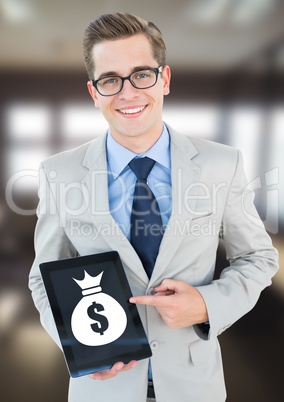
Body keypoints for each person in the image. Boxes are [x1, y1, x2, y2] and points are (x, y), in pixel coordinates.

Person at [29, 12, 278, 402]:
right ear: (94, 93)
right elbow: (43, 278)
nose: (127, 93)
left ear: (164, 79)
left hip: (194, 385)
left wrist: (206, 304)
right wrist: (75, 344)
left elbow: (258, 257)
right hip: (101, 390)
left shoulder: (220, 164)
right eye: (110, 80)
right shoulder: (59, 172)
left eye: (141, 74)